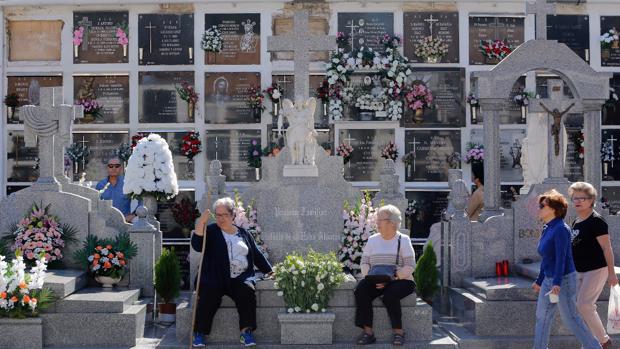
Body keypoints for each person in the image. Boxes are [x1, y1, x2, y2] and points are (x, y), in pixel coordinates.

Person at [191, 197, 272, 348]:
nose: (221, 218)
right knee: (209, 295)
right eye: (218, 215)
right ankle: (199, 333)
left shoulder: (243, 233)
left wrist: (270, 271)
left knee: (247, 292)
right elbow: (197, 245)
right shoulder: (211, 231)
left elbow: (256, 254)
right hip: (214, 276)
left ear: (233, 214)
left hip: (239, 277)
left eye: (225, 215)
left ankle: (246, 332)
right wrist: (201, 223)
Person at [531, 189, 602, 349]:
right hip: (550, 280)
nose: (539, 209)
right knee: (542, 317)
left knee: (571, 319)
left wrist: (556, 284)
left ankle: (594, 347)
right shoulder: (546, 228)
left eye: (542, 206)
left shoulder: (561, 229)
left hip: (563, 281)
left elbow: (561, 258)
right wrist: (540, 280)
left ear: (554, 209)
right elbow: (547, 258)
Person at [354, 204, 416, 346]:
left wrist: (392, 278)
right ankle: (368, 332)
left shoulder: (403, 240)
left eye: (380, 220)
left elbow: (410, 265)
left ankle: (398, 332)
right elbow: (364, 262)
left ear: (392, 222)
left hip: (400, 280)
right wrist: (371, 278)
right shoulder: (373, 240)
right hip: (375, 278)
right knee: (360, 290)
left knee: (390, 294)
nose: (377, 223)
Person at [569, 182, 618, 349]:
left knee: (584, 305)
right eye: (575, 198)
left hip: (596, 269)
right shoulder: (576, 221)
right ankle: (590, 344)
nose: (577, 201)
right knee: (582, 309)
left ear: (591, 200)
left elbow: (607, 248)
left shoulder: (597, 221)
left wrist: (612, 274)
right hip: (579, 270)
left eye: (582, 198)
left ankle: (604, 341)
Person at [95, 157, 135, 222]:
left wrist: (134, 214)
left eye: (117, 166)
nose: (114, 168)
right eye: (111, 166)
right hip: (105, 222)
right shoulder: (100, 185)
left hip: (124, 221)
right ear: (107, 168)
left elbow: (141, 199)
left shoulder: (127, 183)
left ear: (121, 168)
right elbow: (95, 204)